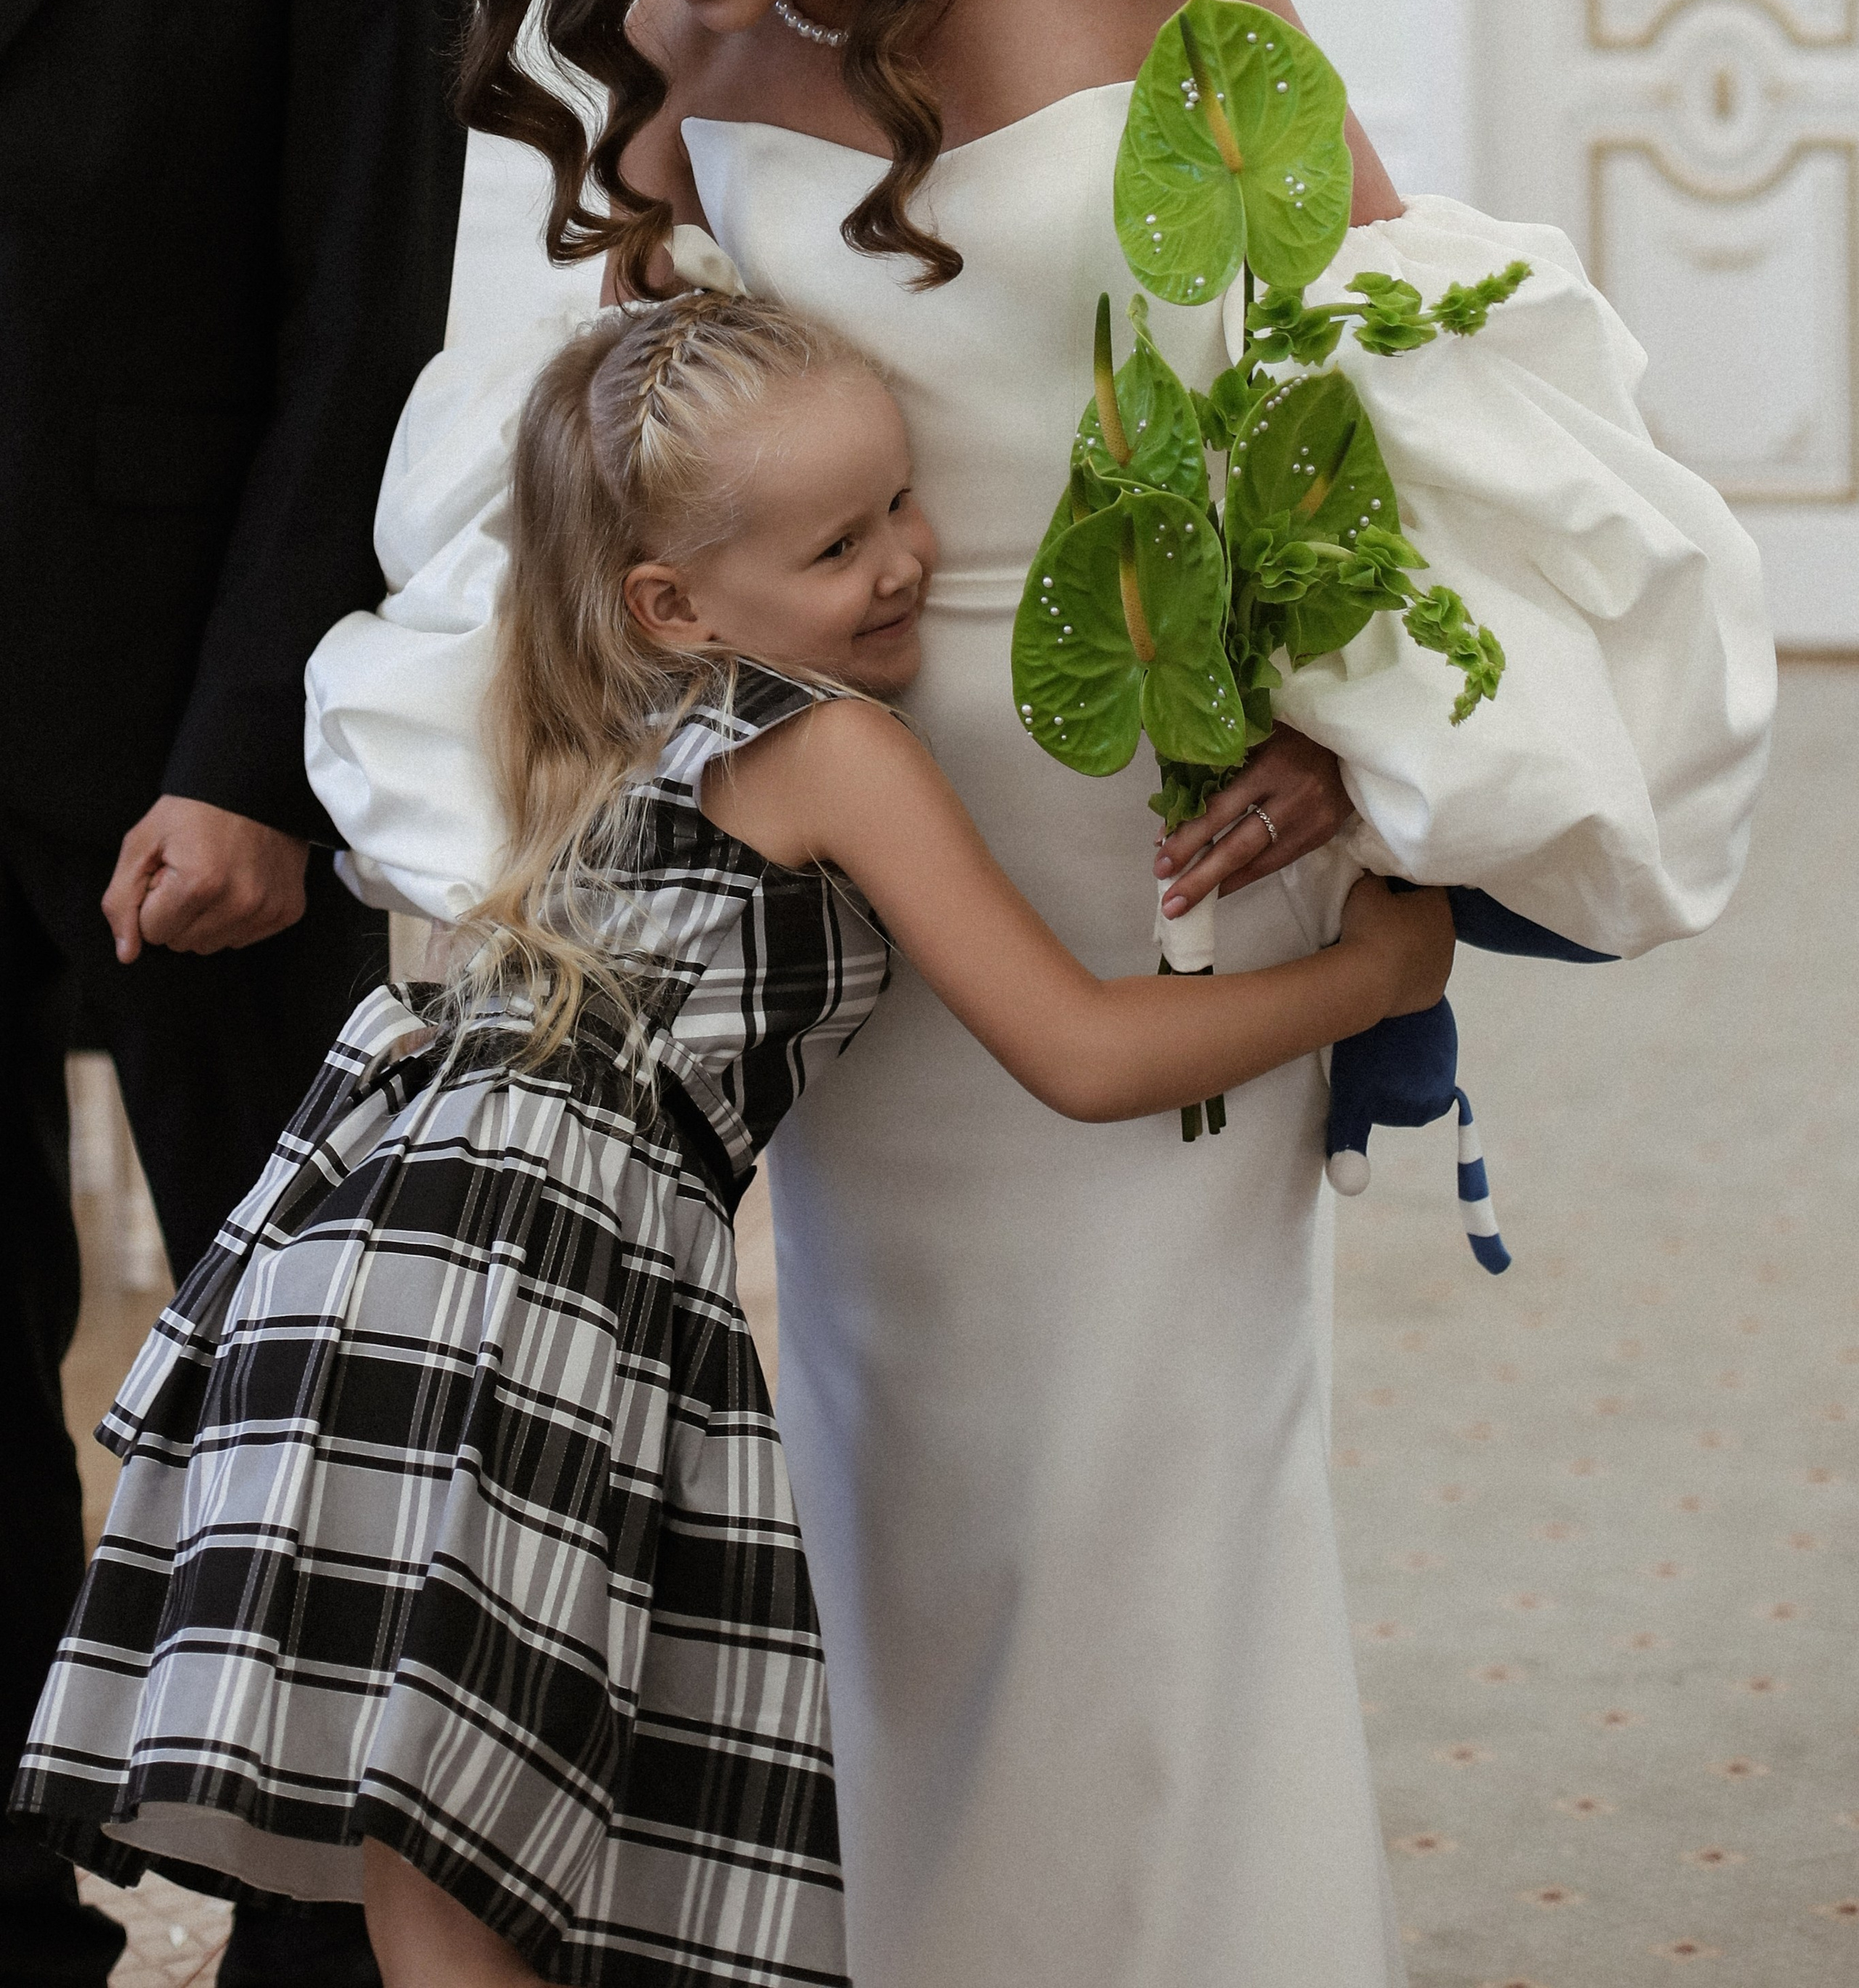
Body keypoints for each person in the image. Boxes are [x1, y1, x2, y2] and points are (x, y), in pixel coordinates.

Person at [295, 0, 1774, 1987]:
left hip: (1174, 812)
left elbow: (1376, 346)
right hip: (866, 846)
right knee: (915, 1485)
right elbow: (654, 437)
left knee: (1176, 1476)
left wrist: (1330, 705)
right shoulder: (673, 52)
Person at [11, 290, 1456, 1988]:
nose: (911, 561)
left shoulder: (588, 721)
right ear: (671, 601)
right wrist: (1365, 977)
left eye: (903, 501)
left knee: (442, 1829)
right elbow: (1071, 1048)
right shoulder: (824, 743)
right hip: (527, 1273)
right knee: (490, 1830)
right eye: (841, 543)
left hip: (361, 1250)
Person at [0, 0, 464, 1982]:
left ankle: (316, 1908)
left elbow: (365, 305)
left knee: (290, 1346)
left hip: (191, 692)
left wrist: (257, 751)